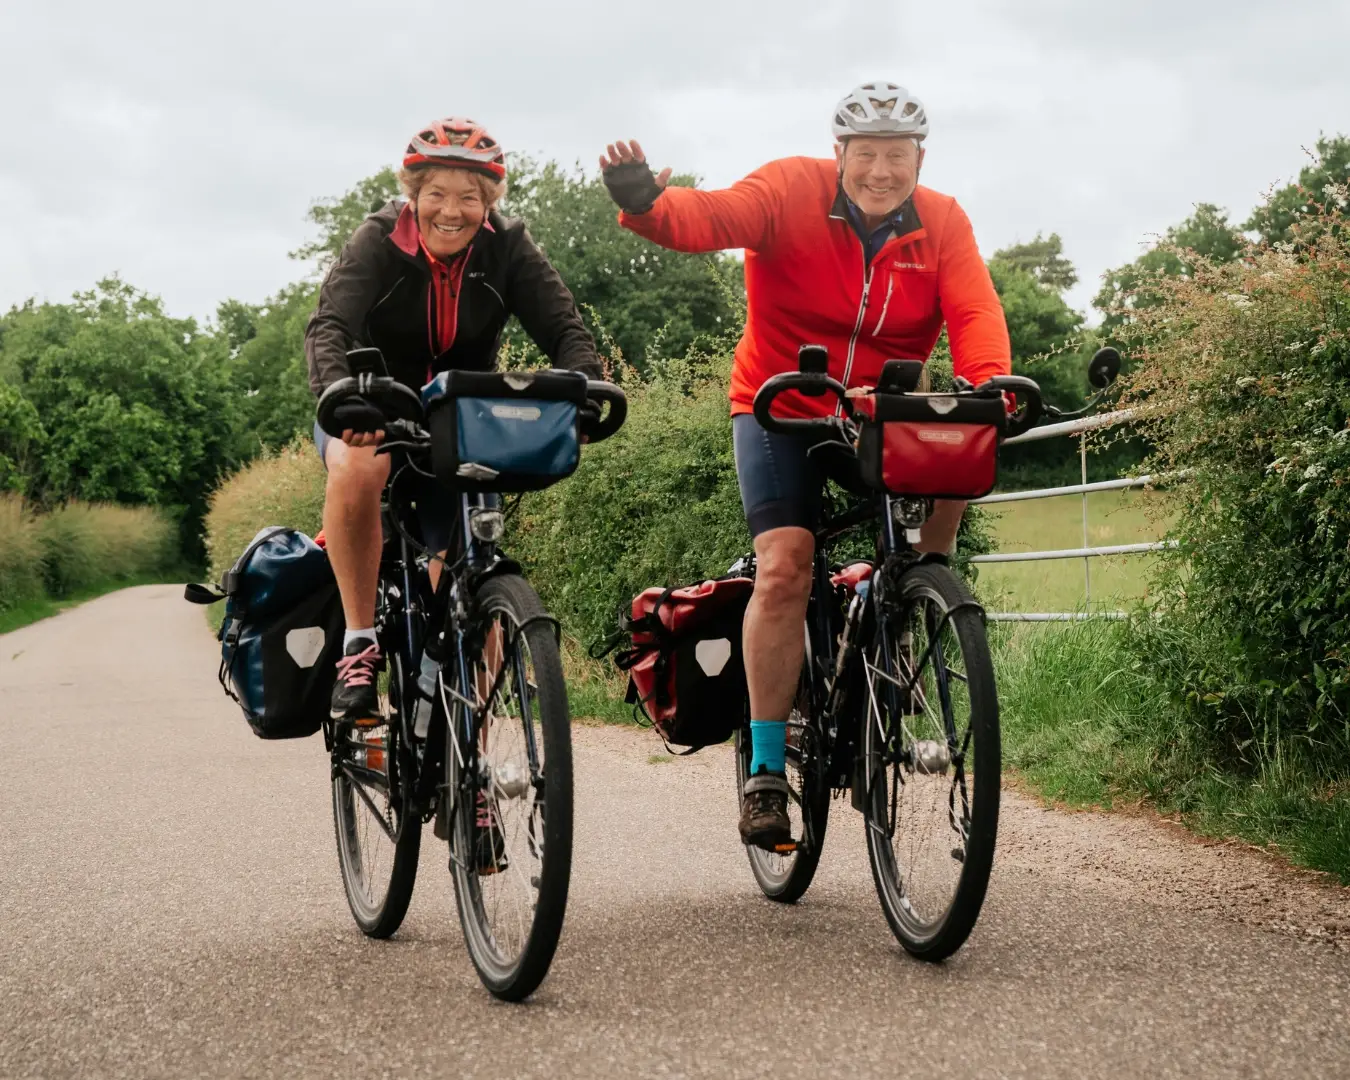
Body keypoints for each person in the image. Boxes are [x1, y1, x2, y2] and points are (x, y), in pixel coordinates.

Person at [599, 82, 1012, 850]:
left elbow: (976, 311)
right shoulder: (789, 189)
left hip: (875, 411)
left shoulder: (944, 222)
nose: (882, 171)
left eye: (898, 156)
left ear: (920, 159)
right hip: (778, 405)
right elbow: (712, 216)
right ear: (839, 155)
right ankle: (763, 771)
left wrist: (991, 383)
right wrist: (649, 206)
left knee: (967, 431)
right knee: (786, 566)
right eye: (867, 155)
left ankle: (922, 593)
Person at [306, 117, 602, 727]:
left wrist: (586, 391)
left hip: (462, 420)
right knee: (356, 468)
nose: (452, 210)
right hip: (373, 408)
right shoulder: (377, 240)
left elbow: (565, 331)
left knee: (472, 580)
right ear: (413, 194)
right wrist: (341, 399)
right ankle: (359, 644)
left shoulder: (510, 246)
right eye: (437, 192)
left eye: (470, 196)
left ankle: (475, 761)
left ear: (488, 203)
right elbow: (329, 325)